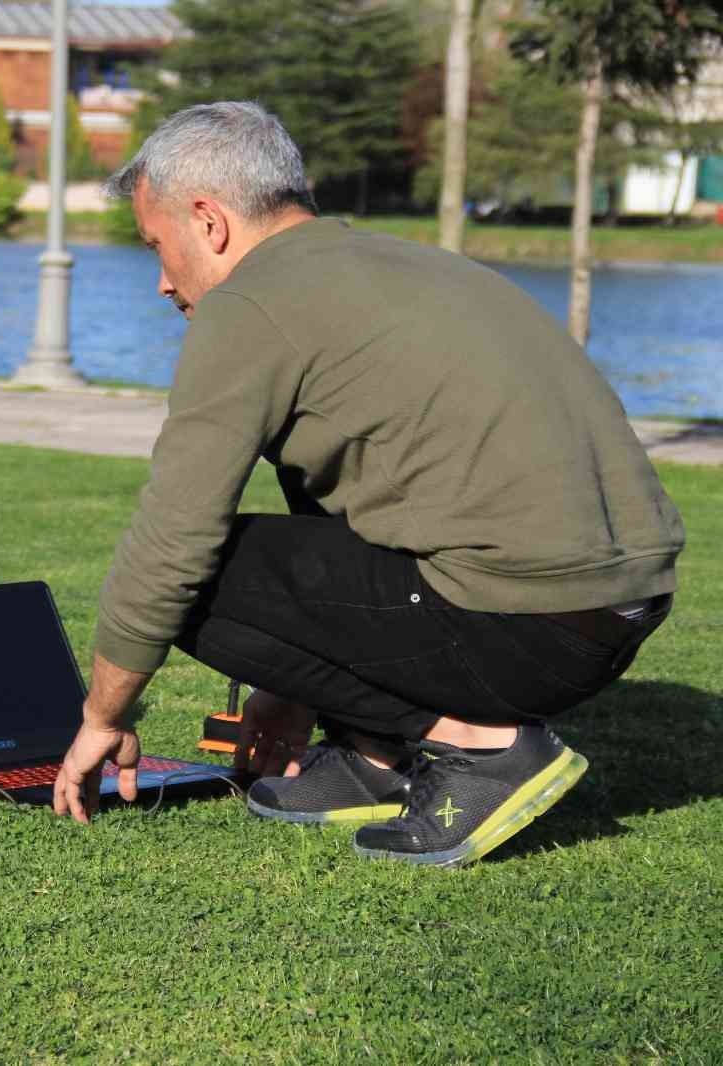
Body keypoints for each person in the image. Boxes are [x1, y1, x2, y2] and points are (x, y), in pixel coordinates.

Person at [50, 102, 683, 866]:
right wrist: (292, 687)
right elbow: (338, 528)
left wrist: (102, 717)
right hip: (619, 612)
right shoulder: (401, 265)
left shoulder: (249, 303)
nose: (161, 282)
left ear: (209, 223)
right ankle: (372, 757)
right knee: (257, 555)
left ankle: (482, 751)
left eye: (159, 246)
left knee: (192, 571)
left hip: (524, 617)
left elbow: (172, 540)